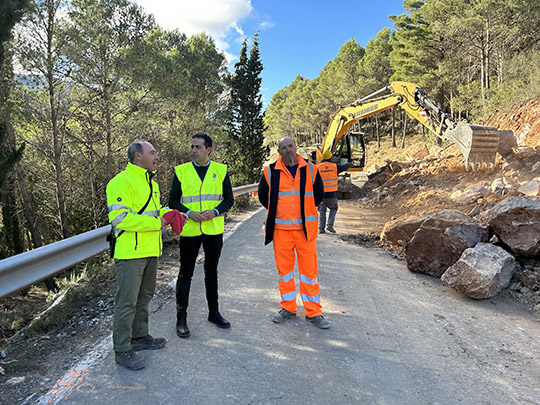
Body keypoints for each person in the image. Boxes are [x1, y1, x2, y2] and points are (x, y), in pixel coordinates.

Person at [106, 140, 181, 370]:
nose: (157, 156)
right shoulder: (120, 182)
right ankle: (121, 349)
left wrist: (170, 214)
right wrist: (158, 222)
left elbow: (153, 212)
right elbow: (121, 219)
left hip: (150, 249)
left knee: (144, 297)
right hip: (130, 253)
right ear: (138, 156)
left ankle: (139, 337)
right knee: (126, 302)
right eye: (153, 152)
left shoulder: (152, 183)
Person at [258, 137, 330, 329]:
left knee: (309, 273)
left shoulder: (311, 169)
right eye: (283, 148)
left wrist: (305, 212)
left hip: (305, 232)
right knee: (285, 273)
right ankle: (288, 308)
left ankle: (314, 313)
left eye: (290, 146)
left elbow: (318, 196)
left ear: (296, 148)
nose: (288, 150)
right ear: (279, 151)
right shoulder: (270, 172)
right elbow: (264, 198)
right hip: (281, 232)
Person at [168, 133, 234, 338]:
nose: (194, 150)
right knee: (185, 273)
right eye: (192, 147)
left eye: (198, 147)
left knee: (211, 272)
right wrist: (189, 213)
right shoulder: (181, 171)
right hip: (189, 230)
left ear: (209, 150)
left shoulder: (221, 170)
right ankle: (181, 318)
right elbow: (173, 201)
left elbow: (229, 200)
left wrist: (215, 211)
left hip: (213, 229)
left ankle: (214, 313)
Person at [317, 150, 352, 234]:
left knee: (322, 211)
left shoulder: (317, 167)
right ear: (330, 157)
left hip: (321, 194)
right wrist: (351, 164)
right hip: (332, 193)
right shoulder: (335, 167)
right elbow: (344, 167)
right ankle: (330, 225)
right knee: (333, 208)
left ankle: (321, 228)